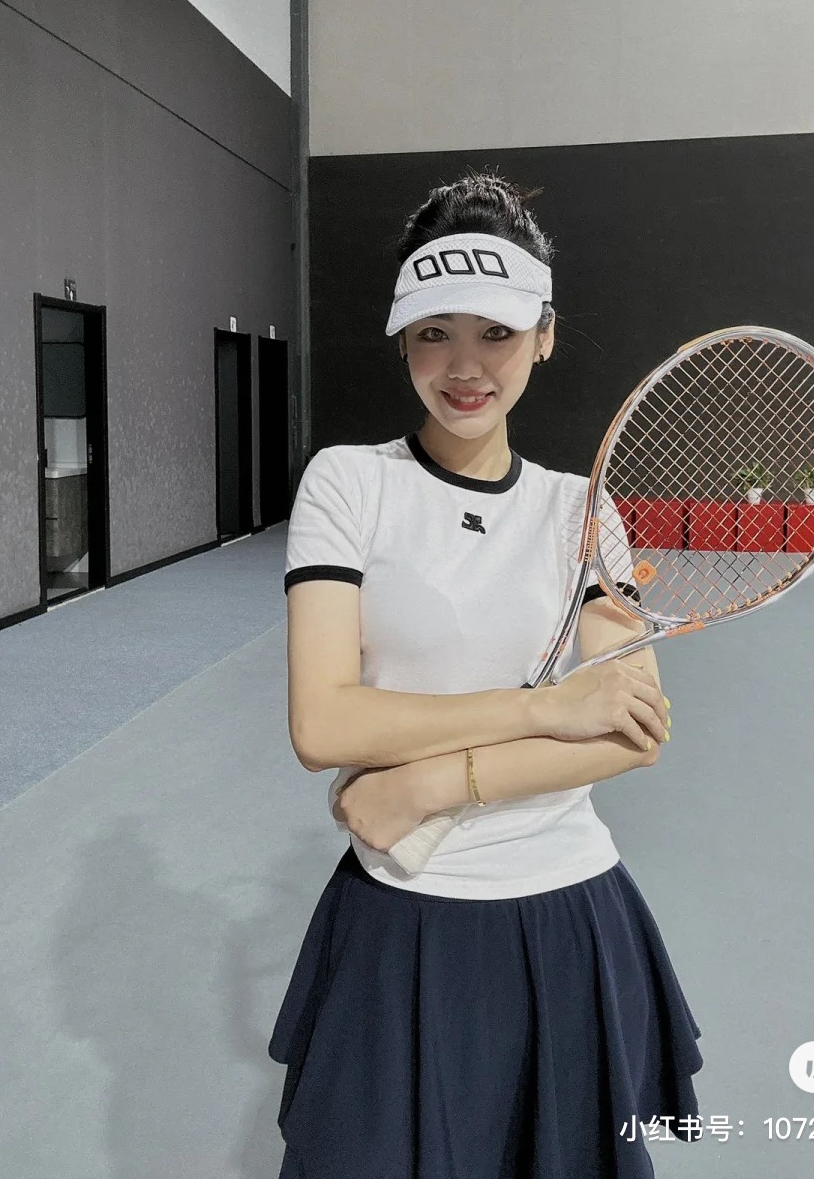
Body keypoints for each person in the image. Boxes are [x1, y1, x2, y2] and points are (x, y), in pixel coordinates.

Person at [268, 173, 704, 1179]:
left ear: (544, 335)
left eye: (497, 334)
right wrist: (545, 710)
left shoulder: (581, 511)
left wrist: (426, 784)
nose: (464, 367)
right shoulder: (350, 484)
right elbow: (324, 725)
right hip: (401, 912)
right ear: (402, 339)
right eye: (435, 333)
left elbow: (628, 732)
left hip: (567, 911)